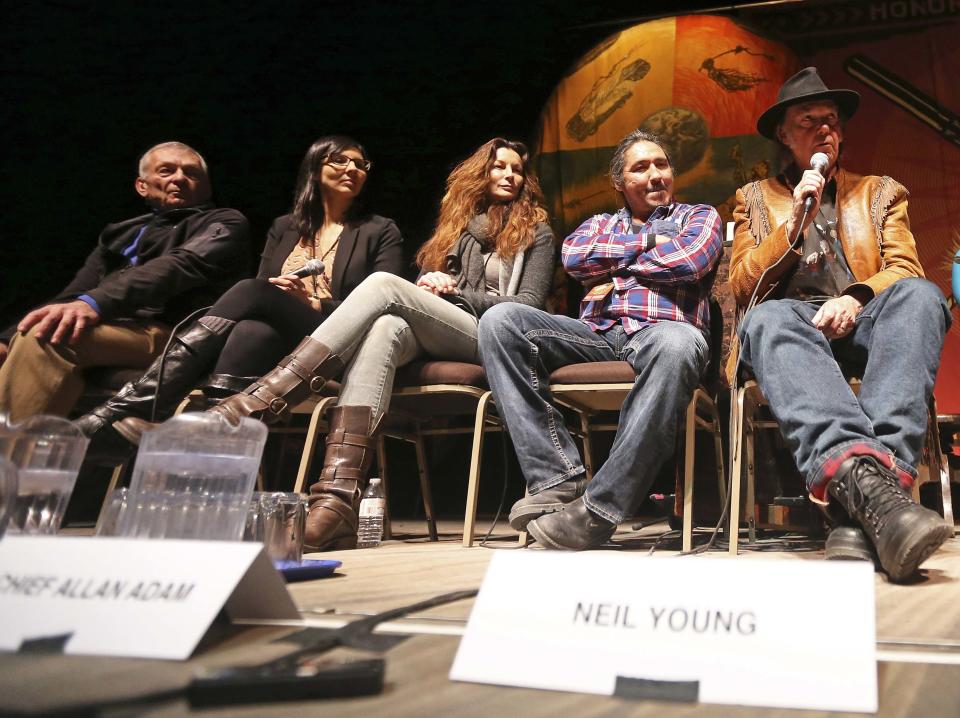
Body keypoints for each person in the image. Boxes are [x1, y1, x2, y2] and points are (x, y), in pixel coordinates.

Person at [207, 138, 556, 551]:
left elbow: (529, 305)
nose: (509, 175)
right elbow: (428, 291)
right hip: (443, 330)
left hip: (497, 337)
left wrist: (456, 294)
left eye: (516, 169)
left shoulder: (537, 230)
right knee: (385, 327)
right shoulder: (452, 231)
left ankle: (256, 403)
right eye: (499, 167)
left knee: (384, 287)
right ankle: (335, 502)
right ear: (477, 174)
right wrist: (432, 283)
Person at [728, 67, 952, 582]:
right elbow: (743, 285)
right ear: (784, 135)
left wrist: (855, 296)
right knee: (765, 319)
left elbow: (904, 268)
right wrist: (794, 224)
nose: (824, 130)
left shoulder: (880, 192)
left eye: (831, 121)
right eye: (809, 122)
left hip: (869, 319)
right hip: (796, 326)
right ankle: (881, 504)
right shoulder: (755, 198)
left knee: (920, 295)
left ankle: (859, 500)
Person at [75, 135, 405, 460]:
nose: (353, 169)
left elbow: (380, 302)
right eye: (340, 160)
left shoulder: (380, 230)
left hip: (339, 337)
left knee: (249, 291)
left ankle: (132, 406)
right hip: (284, 338)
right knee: (252, 330)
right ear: (315, 169)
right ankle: (207, 445)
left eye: (361, 164)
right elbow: (265, 286)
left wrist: (315, 303)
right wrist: (280, 294)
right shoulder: (285, 227)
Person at [478, 129, 723, 550]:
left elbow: (689, 261)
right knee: (501, 320)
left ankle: (599, 509)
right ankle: (556, 476)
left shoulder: (698, 217)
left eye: (661, 165)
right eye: (640, 167)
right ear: (620, 183)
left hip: (664, 330)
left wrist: (616, 271)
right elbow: (575, 258)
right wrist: (648, 242)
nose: (655, 175)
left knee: (679, 346)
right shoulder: (598, 224)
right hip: (598, 333)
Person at [0, 142, 249, 422]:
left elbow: (178, 266)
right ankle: (47, 456)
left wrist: (95, 303)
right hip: (114, 329)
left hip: (172, 334)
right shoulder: (121, 233)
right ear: (142, 186)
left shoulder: (225, 222)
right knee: (27, 338)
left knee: (47, 339)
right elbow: (75, 293)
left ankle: (9, 457)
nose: (179, 178)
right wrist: (7, 339)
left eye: (191, 173)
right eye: (167, 171)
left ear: (206, 187)